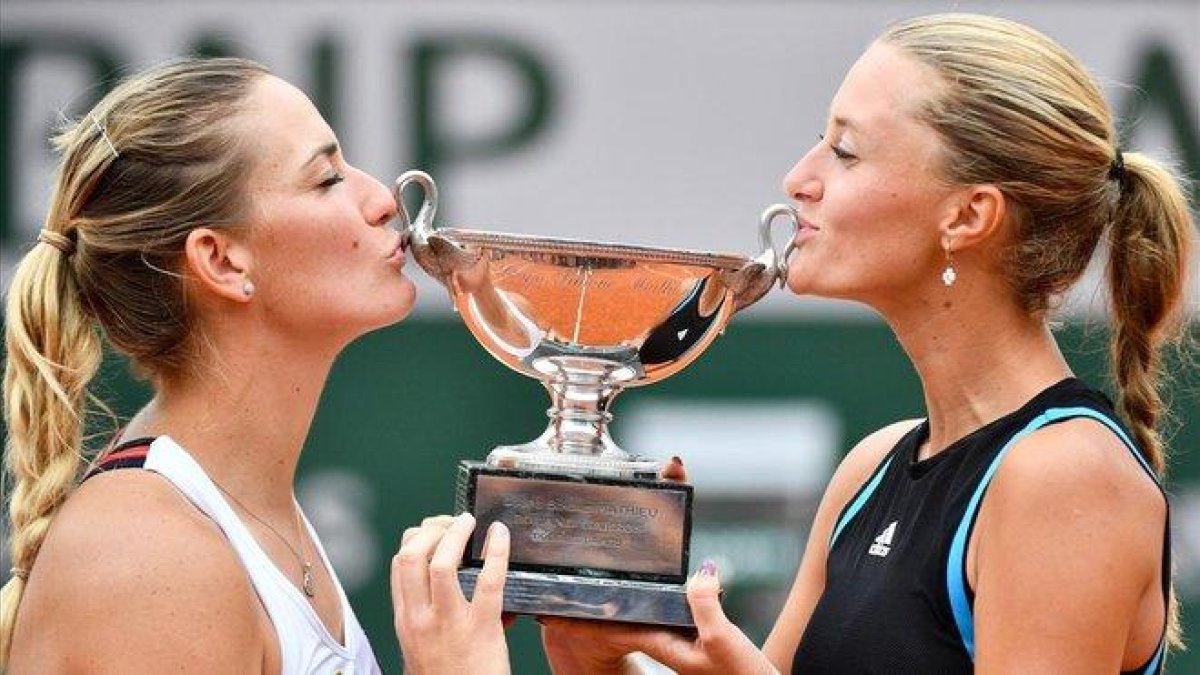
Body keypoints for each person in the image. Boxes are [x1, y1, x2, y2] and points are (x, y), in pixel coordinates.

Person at [396, 12, 1194, 674]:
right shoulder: (869, 472)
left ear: (967, 216)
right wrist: (598, 646)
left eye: (845, 151)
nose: (800, 178)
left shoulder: (1063, 477)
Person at [0, 56, 510, 673]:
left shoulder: (250, 517)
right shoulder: (148, 554)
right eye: (326, 178)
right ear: (223, 262)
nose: (381, 199)